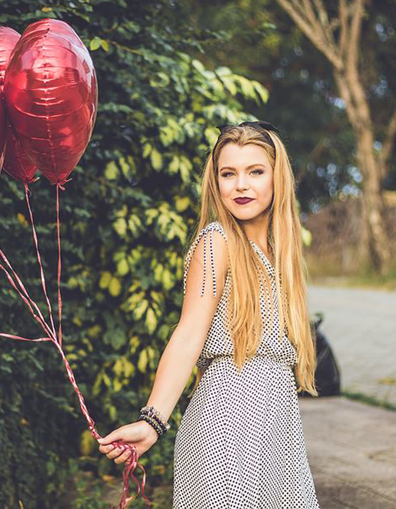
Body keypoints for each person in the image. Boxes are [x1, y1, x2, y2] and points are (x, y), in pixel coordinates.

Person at [97, 122, 320, 508]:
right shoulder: (217, 242)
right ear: (215, 183)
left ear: (276, 177)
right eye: (228, 174)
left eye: (255, 171)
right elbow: (188, 334)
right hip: (228, 423)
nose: (241, 185)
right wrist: (153, 420)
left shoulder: (278, 253)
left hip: (276, 428)